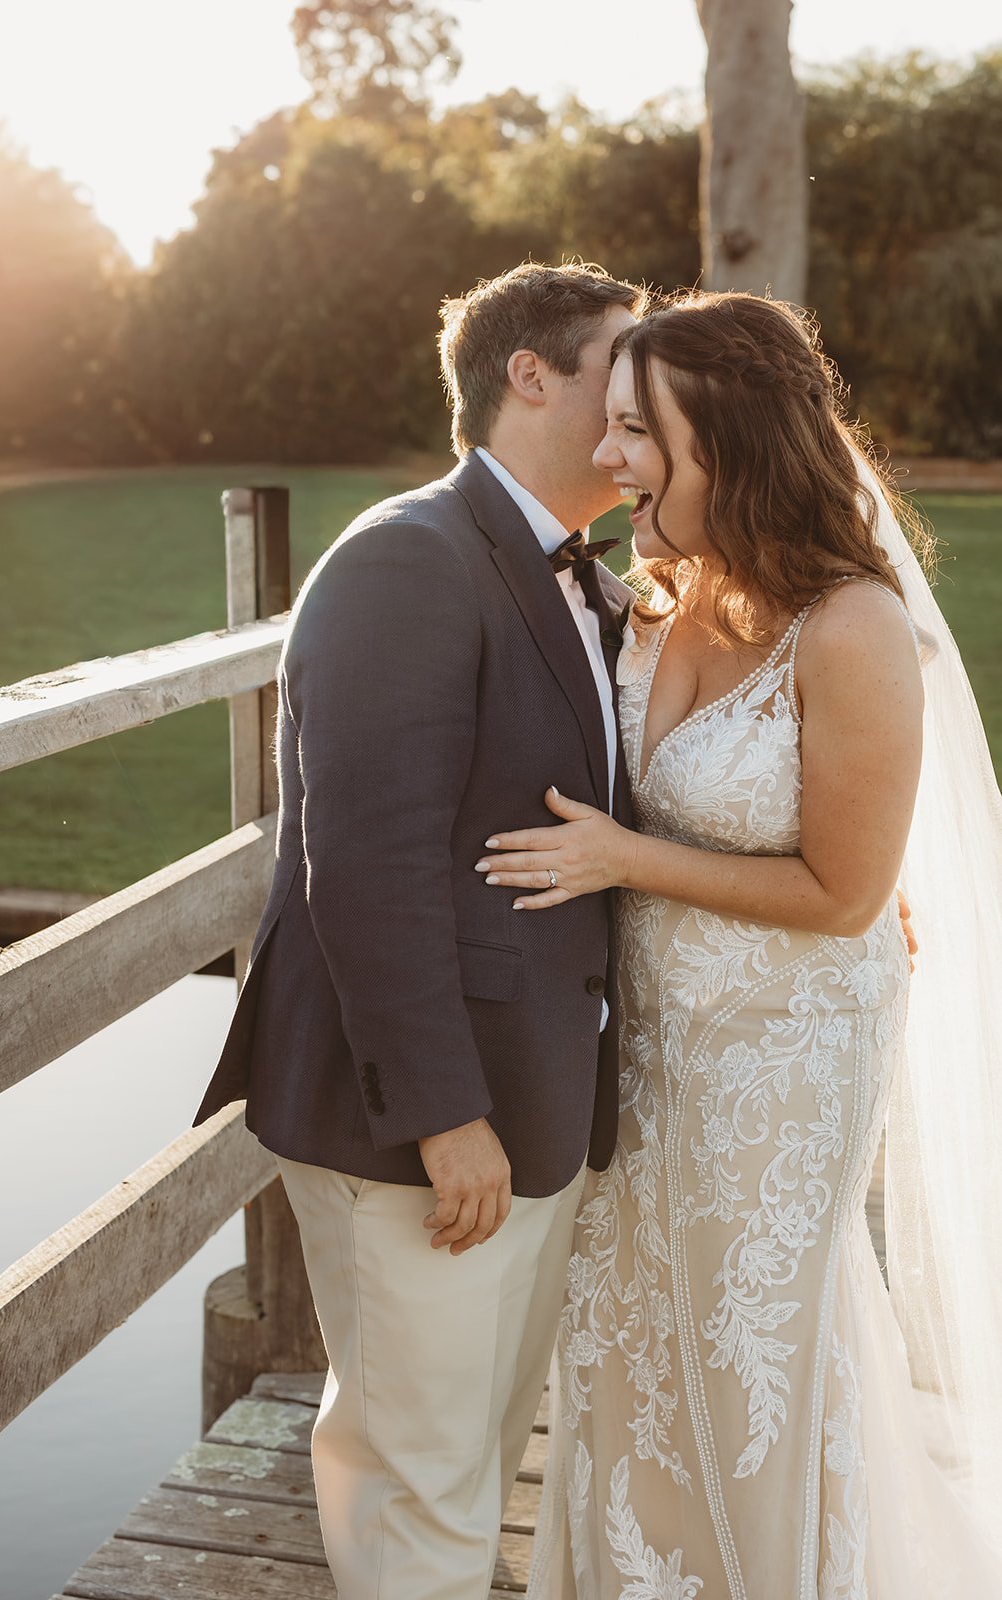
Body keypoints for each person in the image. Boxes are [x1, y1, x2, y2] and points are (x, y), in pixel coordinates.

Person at [476, 292, 1002, 1598]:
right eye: (611, 430)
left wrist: (618, 856)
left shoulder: (858, 629)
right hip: (650, 1047)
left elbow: (842, 890)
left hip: (788, 1057)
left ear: (736, 438)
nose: (613, 461)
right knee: (624, 1331)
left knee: (743, 1348)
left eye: (642, 434)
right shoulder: (655, 603)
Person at [191, 261, 647, 1600]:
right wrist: (446, 1116)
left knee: (470, 1471)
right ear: (530, 377)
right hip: (424, 1135)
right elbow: (367, 866)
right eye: (619, 376)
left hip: (535, 1112)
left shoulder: (580, 577)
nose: (639, 413)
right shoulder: (407, 561)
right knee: (419, 1494)